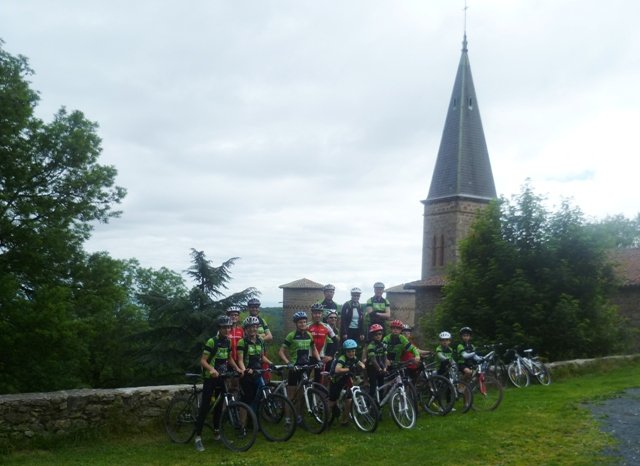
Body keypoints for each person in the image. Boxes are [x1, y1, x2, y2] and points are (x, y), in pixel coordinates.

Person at [194, 315, 241, 452]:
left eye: (229, 327)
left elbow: (229, 358)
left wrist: (237, 368)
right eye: (224, 327)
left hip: (222, 377)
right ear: (219, 328)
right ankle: (198, 437)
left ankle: (216, 433)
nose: (227, 330)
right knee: (205, 406)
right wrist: (212, 369)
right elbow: (203, 361)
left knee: (219, 407)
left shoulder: (227, 342)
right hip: (210, 378)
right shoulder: (212, 341)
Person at [278, 311, 321, 406]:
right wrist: (288, 363)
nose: (303, 324)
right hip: (294, 367)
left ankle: (299, 417)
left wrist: (319, 360)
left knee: (301, 396)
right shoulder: (291, 335)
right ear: (296, 323)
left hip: (305, 367)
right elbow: (281, 352)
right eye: (300, 322)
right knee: (291, 396)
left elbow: (314, 349)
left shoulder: (309, 335)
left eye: (304, 322)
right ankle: (288, 419)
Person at [236, 316, 273, 409]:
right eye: (250, 327)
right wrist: (245, 370)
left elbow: (262, 357)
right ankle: (243, 422)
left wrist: (272, 364)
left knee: (259, 396)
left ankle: (254, 419)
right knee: (248, 399)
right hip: (247, 374)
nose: (253, 329)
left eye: (255, 327)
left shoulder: (260, 341)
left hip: (258, 372)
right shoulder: (242, 342)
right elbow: (240, 360)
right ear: (246, 329)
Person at [328, 339, 365, 425]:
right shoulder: (342, 358)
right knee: (332, 401)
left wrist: (361, 366)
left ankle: (345, 420)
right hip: (336, 379)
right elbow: (337, 370)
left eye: (353, 351)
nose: (351, 353)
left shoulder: (354, 357)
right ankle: (326, 419)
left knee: (349, 400)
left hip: (346, 377)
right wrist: (350, 369)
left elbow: (361, 364)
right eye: (349, 351)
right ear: (345, 351)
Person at [308, 303, 338, 385]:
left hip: (320, 357)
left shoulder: (326, 326)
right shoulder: (307, 326)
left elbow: (336, 342)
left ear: (321, 314)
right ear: (312, 314)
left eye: (319, 313)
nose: (317, 315)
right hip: (308, 357)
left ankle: (317, 396)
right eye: (315, 313)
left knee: (318, 381)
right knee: (305, 380)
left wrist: (330, 356)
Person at [366, 323, 388, 400]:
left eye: (379, 334)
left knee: (381, 386)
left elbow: (385, 358)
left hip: (381, 366)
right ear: (372, 336)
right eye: (375, 334)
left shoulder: (383, 345)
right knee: (373, 387)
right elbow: (373, 360)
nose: (378, 336)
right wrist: (379, 369)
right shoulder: (371, 346)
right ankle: (369, 405)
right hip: (372, 367)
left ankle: (379, 404)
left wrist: (385, 368)